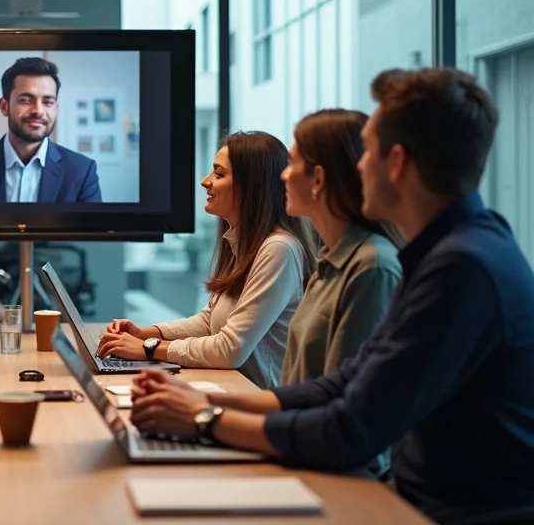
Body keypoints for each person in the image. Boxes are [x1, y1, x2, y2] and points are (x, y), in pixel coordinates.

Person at [128, 68, 534, 525]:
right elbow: (343, 385)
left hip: (442, 512)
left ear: (396, 163)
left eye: (370, 152)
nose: (358, 167)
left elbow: (351, 428)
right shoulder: (453, 253)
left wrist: (205, 421)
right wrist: (204, 402)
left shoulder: (461, 269)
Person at [98, 131, 316, 389]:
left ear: (252, 185)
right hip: (231, 389)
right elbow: (208, 321)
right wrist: (146, 333)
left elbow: (230, 349)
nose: (205, 181)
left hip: (258, 402)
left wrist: (148, 348)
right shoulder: (243, 243)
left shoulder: (278, 249)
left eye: (219, 174)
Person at [279, 109, 402, 386]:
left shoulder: (373, 267)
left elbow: (340, 400)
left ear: (319, 179)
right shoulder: (329, 263)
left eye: (290, 163)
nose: (283, 176)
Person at [0, 57, 102, 203]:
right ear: (4, 106)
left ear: (56, 109)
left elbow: (89, 234)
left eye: (48, 102)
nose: (38, 111)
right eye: (26, 100)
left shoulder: (82, 171)